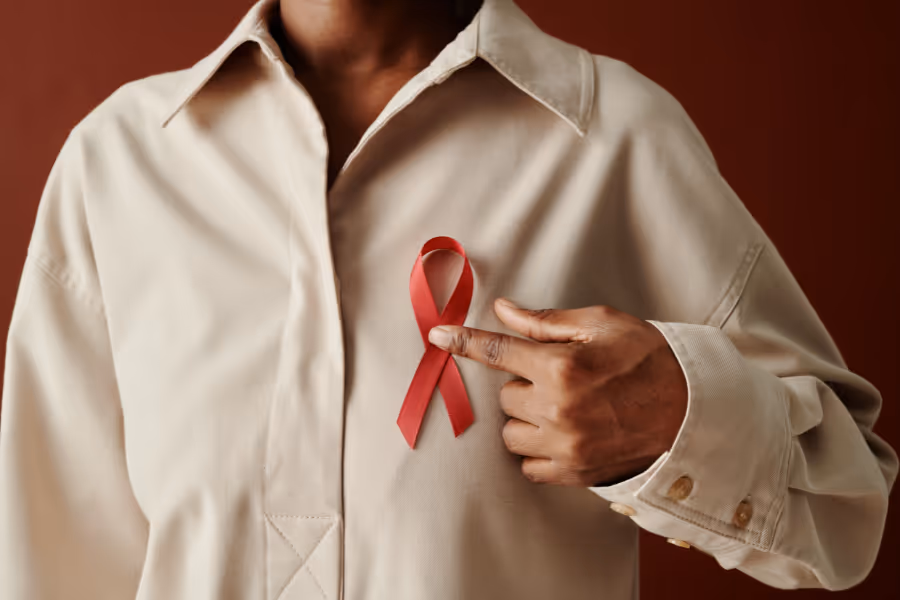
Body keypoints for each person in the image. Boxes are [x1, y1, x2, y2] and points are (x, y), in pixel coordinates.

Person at [0, 0, 895, 598]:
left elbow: (847, 505)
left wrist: (678, 422)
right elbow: (50, 563)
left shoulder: (615, 137)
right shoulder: (118, 163)